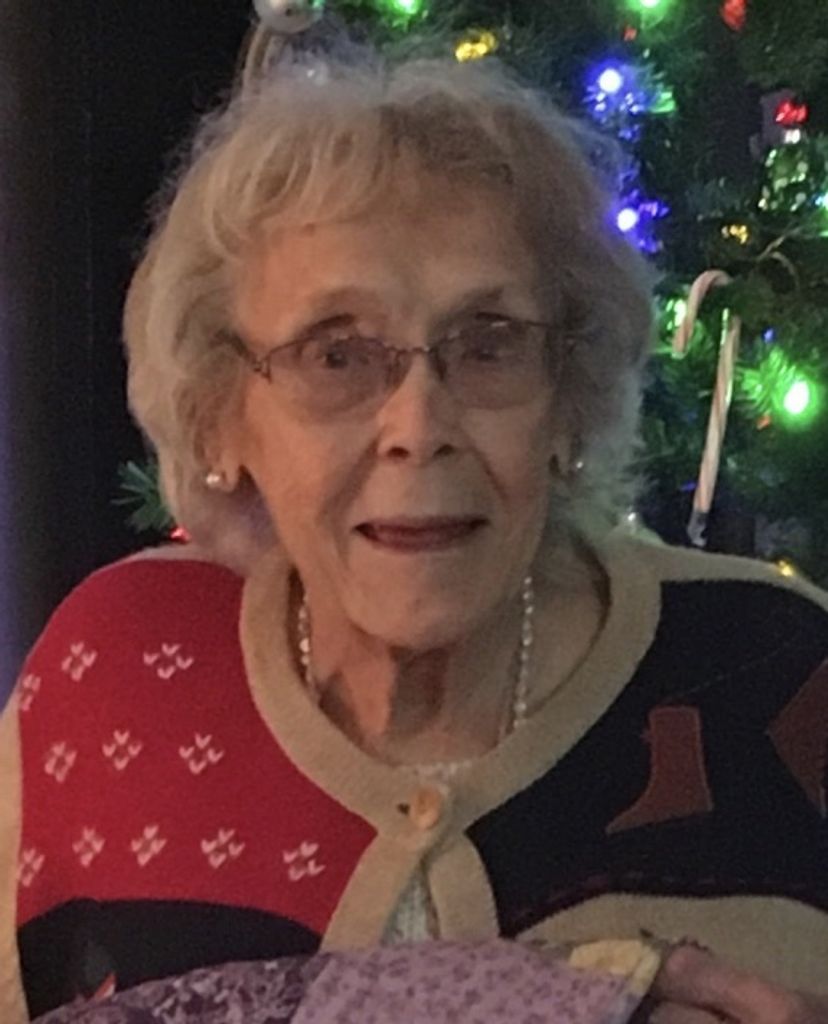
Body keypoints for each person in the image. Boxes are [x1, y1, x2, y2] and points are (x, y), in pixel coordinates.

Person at [1, 49, 827, 1024]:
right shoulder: (117, 667)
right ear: (222, 417)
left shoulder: (776, 668)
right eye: (335, 354)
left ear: (567, 397)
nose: (418, 425)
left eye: (489, 343)